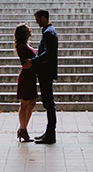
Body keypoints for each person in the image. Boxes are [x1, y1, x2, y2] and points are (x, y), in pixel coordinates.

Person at [23, 8, 57, 143]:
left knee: (49, 104)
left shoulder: (49, 33)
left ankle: (50, 135)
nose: (36, 22)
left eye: (37, 19)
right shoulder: (49, 32)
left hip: (46, 73)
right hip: (46, 73)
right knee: (48, 103)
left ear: (43, 17)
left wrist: (32, 62)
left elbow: (47, 55)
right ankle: (48, 133)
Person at [14, 24, 37, 142]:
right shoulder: (22, 47)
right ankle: (23, 129)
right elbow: (27, 62)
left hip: (30, 76)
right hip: (26, 77)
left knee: (31, 102)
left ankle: (23, 129)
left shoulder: (25, 45)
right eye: (28, 29)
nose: (30, 30)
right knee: (25, 103)